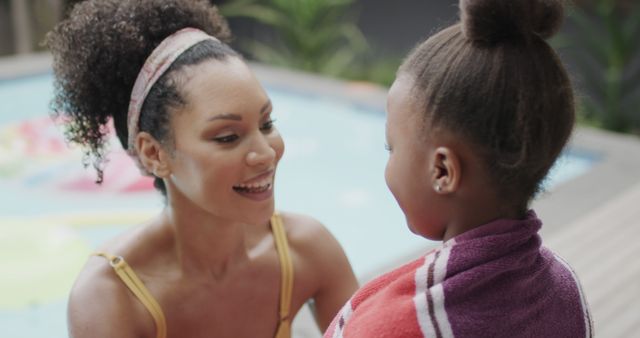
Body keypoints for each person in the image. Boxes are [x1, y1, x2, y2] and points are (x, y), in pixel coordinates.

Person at [46, 1, 358, 337]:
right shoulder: (112, 297)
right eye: (227, 137)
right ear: (154, 154)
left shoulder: (307, 250)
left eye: (267, 123)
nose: (266, 153)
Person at [324, 0, 593, 337]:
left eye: (391, 148)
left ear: (443, 170)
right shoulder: (561, 288)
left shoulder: (400, 325)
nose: (388, 165)